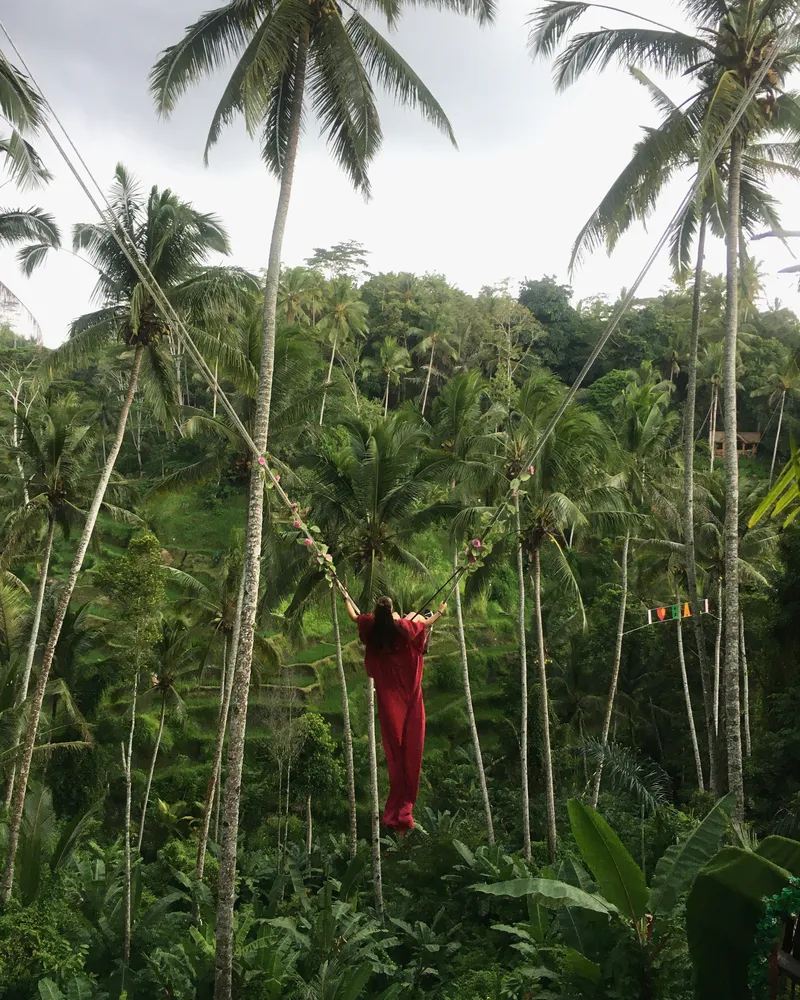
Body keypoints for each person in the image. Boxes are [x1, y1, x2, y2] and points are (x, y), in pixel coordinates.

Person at [344, 594, 447, 832]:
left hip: (389, 696)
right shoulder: (402, 626)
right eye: (394, 611)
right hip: (407, 694)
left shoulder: (372, 624)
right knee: (411, 746)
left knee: (396, 747)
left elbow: (353, 616)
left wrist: (346, 597)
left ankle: (400, 805)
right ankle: (403, 804)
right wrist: (440, 612)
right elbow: (425, 624)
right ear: (391, 613)